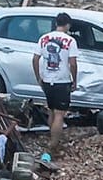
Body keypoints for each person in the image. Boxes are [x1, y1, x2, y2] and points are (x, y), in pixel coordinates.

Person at [31, 13, 80, 154]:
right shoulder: (70, 41)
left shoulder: (43, 38)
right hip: (62, 81)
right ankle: (53, 146)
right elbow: (73, 63)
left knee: (51, 110)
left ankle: (51, 138)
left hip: (47, 79)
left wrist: (38, 77)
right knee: (59, 114)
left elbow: (35, 59)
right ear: (68, 25)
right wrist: (74, 79)